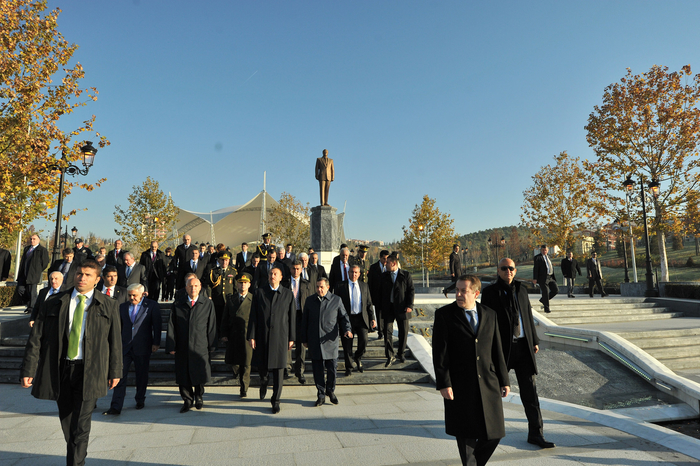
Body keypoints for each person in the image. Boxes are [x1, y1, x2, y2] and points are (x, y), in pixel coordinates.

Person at [20, 259, 121, 466]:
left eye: (87, 275)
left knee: (81, 425)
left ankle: (75, 463)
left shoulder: (108, 305)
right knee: (68, 422)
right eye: (79, 274)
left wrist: (115, 370)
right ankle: (75, 455)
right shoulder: (54, 302)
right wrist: (28, 368)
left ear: (97, 280)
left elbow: (115, 341)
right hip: (62, 370)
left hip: (90, 370)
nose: (82, 278)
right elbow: (36, 338)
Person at [432, 274, 510, 466]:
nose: (458, 294)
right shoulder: (444, 315)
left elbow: (497, 350)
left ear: (476, 293)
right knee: (465, 436)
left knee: (495, 434)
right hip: (459, 385)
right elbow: (439, 353)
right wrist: (444, 383)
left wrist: (504, 379)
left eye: (463, 291)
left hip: (488, 383)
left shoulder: (490, 314)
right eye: (456, 290)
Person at [481, 259, 556, 450]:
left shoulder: (522, 290)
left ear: (515, 270)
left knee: (530, 393)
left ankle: (536, 434)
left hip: (523, 348)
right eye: (504, 268)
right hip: (501, 349)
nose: (508, 271)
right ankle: (488, 432)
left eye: (511, 268)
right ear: (498, 271)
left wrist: (535, 341)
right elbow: (487, 321)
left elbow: (528, 316)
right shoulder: (490, 292)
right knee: (492, 392)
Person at [104, 284, 161, 415]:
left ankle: (140, 399)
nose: (131, 297)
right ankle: (116, 406)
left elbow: (157, 325)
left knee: (141, 375)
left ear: (142, 294)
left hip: (143, 346)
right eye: (129, 295)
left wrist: (156, 343)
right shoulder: (122, 307)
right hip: (124, 347)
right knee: (120, 376)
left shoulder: (151, 305)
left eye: (134, 295)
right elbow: (118, 326)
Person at [247, 267, 295, 414]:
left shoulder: (287, 294)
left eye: (275, 274)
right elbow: (253, 316)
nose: (272, 276)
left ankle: (276, 400)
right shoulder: (259, 292)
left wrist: (292, 337)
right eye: (270, 274)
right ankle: (263, 381)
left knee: (280, 369)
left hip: (281, 336)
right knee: (263, 367)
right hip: (263, 335)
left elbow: (291, 317)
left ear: (281, 277)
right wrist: (252, 335)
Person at [166, 278, 216, 413]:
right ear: (186, 288)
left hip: (200, 345)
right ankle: (187, 399)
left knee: (200, 372)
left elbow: (211, 326)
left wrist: (212, 344)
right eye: (190, 286)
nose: (193, 288)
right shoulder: (178, 304)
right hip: (182, 345)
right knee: (183, 374)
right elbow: (172, 326)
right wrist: (171, 345)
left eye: (195, 286)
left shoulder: (207, 303)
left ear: (200, 287)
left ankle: (199, 396)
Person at [300, 277, 352, 406]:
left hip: (330, 341)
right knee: (317, 370)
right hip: (315, 341)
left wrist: (347, 329)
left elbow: (344, 317)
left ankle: (330, 390)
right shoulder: (310, 301)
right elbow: (304, 321)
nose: (319, 289)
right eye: (317, 287)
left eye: (322, 287)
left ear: (328, 287)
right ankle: (321, 394)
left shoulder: (336, 300)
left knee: (332, 369)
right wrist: (304, 339)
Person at [336, 265, 376, 376]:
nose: (353, 274)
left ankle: (358, 357)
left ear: (359, 274)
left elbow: (369, 304)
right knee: (347, 345)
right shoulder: (340, 286)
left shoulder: (364, 286)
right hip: (346, 319)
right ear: (348, 273)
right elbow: (336, 305)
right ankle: (349, 367)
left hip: (361, 318)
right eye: (352, 272)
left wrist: (372, 318)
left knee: (364, 340)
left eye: (356, 273)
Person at [221, 273, 254, 397]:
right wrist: (224, 333)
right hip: (233, 334)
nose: (243, 285)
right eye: (240, 282)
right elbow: (225, 318)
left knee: (246, 362)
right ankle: (237, 373)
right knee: (234, 361)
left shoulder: (253, 299)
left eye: (245, 283)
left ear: (249, 285)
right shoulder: (231, 299)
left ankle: (244, 387)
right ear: (237, 284)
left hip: (247, 334)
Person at [379, 254, 414, 367]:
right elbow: (380, 292)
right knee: (387, 332)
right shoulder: (384, 276)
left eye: (387, 262)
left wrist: (410, 305)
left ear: (393, 264)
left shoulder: (405, 275)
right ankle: (390, 355)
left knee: (403, 331)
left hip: (402, 308)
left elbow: (411, 291)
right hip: (388, 308)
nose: (385, 264)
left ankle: (401, 353)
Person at [287, 260, 313, 384]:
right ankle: (287, 368)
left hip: (302, 316)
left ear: (301, 269)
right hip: (287, 317)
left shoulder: (306, 284)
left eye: (298, 269)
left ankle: (300, 370)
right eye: (293, 268)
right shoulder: (285, 283)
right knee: (288, 343)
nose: (296, 271)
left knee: (301, 346)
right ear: (290, 269)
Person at [17, 234, 50, 315]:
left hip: (33, 274)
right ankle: (29, 303)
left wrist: (37, 270)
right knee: (20, 289)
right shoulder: (27, 249)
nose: (32, 240)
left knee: (32, 291)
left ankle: (31, 308)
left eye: (34, 239)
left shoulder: (42, 250)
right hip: (23, 273)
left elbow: (45, 262)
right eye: (31, 239)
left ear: (39, 240)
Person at [367, 249, 389, 338]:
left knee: (386, 315)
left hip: (387, 296)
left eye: (387, 259)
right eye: (384, 259)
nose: (385, 261)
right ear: (380, 257)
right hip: (377, 296)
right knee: (379, 314)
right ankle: (380, 332)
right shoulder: (373, 267)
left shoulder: (389, 267)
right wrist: (370, 296)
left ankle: (386, 331)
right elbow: (370, 283)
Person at [532, 245, 558, 313]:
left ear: (548, 250)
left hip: (550, 277)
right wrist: (535, 278)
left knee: (555, 290)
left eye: (545, 250)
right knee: (545, 292)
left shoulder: (548, 256)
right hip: (543, 278)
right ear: (541, 250)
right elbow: (535, 268)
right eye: (543, 250)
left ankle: (543, 300)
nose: (544, 251)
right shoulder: (537, 258)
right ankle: (546, 308)